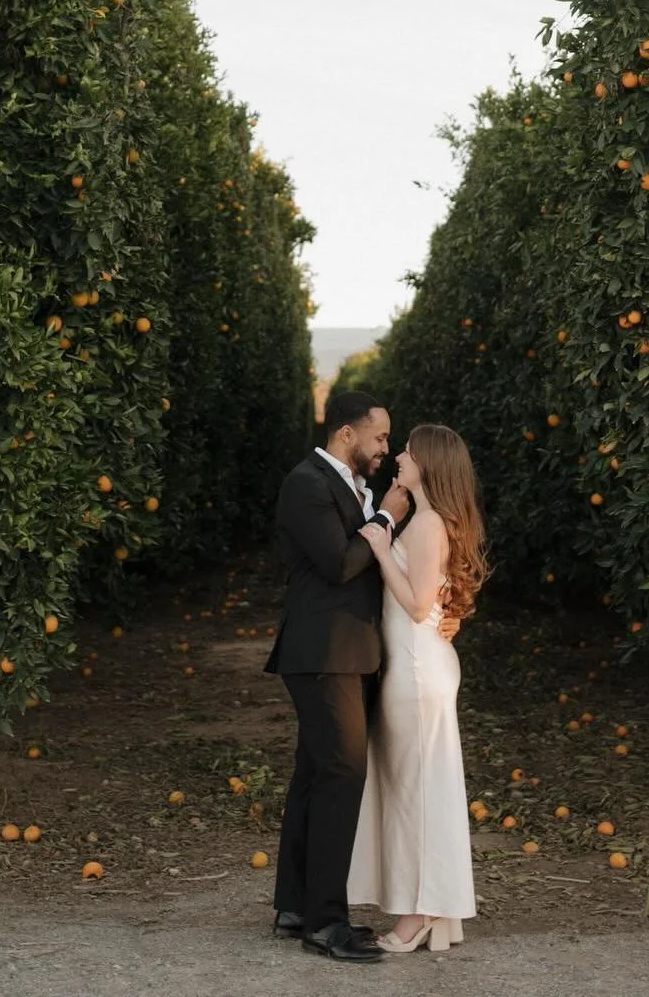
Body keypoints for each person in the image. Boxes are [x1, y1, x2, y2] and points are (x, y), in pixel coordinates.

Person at [264, 392, 461, 961]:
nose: (385, 449)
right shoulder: (305, 483)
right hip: (324, 652)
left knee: (313, 775)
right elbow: (341, 563)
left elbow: (402, 572)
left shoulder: (359, 488)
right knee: (341, 778)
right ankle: (326, 924)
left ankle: (295, 905)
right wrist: (386, 518)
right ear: (347, 435)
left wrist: (444, 605)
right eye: (378, 438)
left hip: (353, 652)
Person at [347, 422, 489, 954]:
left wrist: (382, 548)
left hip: (416, 669)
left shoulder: (428, 524)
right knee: (413, 790)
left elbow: (417, 604)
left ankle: (420, 913)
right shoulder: (428, 520)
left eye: (408, 451)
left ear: (427, 462)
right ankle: (427, 907)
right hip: (415, 664)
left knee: (416, 795)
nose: (400, 457)